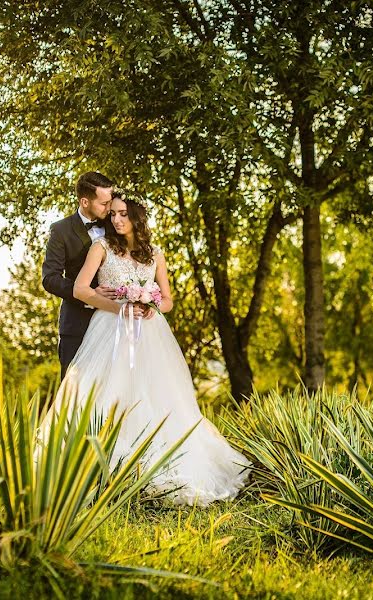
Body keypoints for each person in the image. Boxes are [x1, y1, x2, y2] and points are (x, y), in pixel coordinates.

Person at [42, 190, 249, 506]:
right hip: (109, 329)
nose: (117, 219)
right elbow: (82, 289)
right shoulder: (101, 248)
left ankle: (160, 463)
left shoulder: (155, 254)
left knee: (157, 395)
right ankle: (100, 467)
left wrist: (150, 302)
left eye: (123, 213)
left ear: (138, 216)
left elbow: (167, 300)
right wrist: (119, 307)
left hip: (150, 334)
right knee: (105, 393)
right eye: (112, 214)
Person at [42, 172, 118, 379]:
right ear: (85, 201)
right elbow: (50, 279)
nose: (109, 208)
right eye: (104, 203)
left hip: (115, 323)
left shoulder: (117, 223)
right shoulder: (61, 230)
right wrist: (89, 294)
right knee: (73, 394)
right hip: (77, 324)